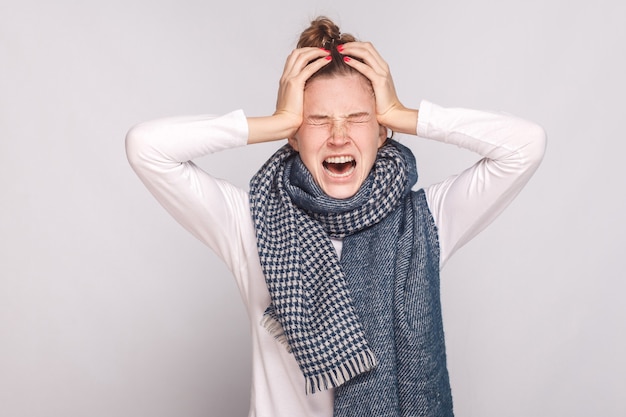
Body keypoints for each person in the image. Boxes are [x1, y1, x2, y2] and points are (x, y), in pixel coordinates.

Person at [126, 16, 546, 417]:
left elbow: (526, 145)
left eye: (358, 118)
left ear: (381, 131)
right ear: (294, 135)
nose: (339, 135)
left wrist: (402, 113)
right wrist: (275, 122)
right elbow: (146, 147)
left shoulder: (425, 220)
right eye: (317, 120)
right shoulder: (252, 223)